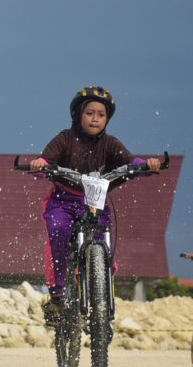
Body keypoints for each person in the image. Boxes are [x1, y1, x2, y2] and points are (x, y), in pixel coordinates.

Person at [28, 86, 161, 325]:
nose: (95, 118)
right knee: (58, 231)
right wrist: (40, 164)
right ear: (78, 114)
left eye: (101, 114)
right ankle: (57, 296)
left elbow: (130, 161)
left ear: (107, 118)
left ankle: (101, 298)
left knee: (105, 246)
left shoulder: (110, 144)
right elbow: (46, 159)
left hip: (94, 204)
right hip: (63, 201)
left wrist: (147, 164)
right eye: (90, 113)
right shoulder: (65, 139)